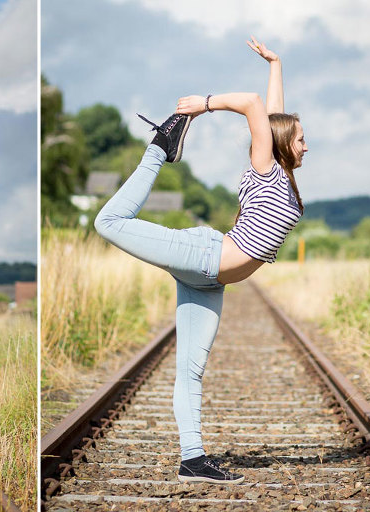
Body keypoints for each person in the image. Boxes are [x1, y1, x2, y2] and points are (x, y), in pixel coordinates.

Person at [94, 37, 307, 485]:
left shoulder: (282, 174)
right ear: (285, 145)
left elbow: (273, 114)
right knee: (108, 221)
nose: (307, 146)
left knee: (191, 370)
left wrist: (277, 64)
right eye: (303, 139)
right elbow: (253, 106)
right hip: (203, 253)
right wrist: (204, 105)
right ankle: (160, 149)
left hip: (209, 281)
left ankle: (193, 460)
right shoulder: (265, 166)